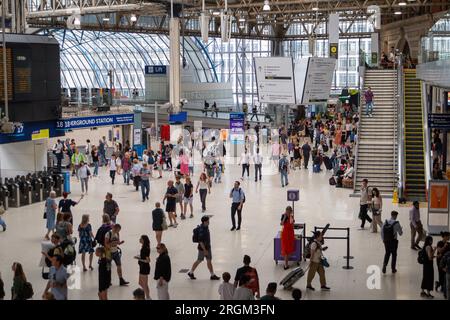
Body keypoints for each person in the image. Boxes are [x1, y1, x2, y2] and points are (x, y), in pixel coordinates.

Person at [187, 216, 220, 280]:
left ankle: (212, 275)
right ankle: (191, 272)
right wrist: (205, 250)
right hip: (203, 249)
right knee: (199, 260)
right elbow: (200, 241)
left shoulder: (205, 226)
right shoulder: (202, 230)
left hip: (207, 247)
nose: (209, 222)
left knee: (208, 260)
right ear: (204, 222)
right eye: (208, 221)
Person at [134, 235, 151, 300]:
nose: (139, 239)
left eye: (141, 239)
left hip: (144, 268)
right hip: (142, 267)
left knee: (145, 284)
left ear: (144, 240)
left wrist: (139, 259)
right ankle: (147, 295)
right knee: (141, 283)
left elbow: (148, 260)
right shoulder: (144, 247)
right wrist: (139, 257)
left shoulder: (145, 248)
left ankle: (148, 297)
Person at [436, 231, 450, 297]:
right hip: (440, 261)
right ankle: (439, 284)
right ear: (445, 236)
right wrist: (444, 246)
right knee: (441, 273)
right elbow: (439, 251)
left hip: (446, 261)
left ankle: (443, 286)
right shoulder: (440, 243)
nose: (449, 237)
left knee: (445, 274)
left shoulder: (448, 243)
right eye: (448, 236)